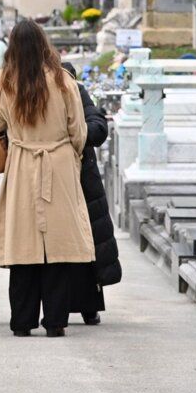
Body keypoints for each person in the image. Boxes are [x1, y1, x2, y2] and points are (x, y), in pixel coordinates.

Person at [0, 19, 94, 337]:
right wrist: (72, 157)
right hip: (58, 162)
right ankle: (56, 321)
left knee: (24, 247)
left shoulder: (4, 81)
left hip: (22, 161)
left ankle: (22, 321)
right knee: (58, 248)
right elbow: (78, 128)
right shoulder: (62, 80)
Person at [68, 69, 124, 326]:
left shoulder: (79, 93)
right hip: (56, 182)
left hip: (83, 182)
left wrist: (74, 133)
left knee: (90, 245)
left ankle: (89, 305)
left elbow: (98, 127)